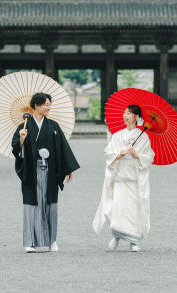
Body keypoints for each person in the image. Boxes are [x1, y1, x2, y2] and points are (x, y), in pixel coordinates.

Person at [11, 92, 80, 253]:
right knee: (31, 205)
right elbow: (15, 150)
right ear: (36, 105)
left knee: (50, 206)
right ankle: (30, 242)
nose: (49, 107)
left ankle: (52, 241)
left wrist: (68, 168)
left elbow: (63, 148)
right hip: (31, 171)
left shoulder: (53, 126)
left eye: (50, 104)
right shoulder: (23, 127)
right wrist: (21, 139)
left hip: (50, 171)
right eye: (46, 104)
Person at [93, 104, 154, 252]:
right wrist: (119, 154)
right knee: (117, 209)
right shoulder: (117, 135)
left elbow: (149, 156)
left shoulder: (143, 137)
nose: (125, 115)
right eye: (124, 113)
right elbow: (108, 153)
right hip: (120, 178)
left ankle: (134, 241)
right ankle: (116, 236)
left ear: (137, 117)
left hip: (133, 179)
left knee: (133, 210)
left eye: (129, 113)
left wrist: (136, 155)